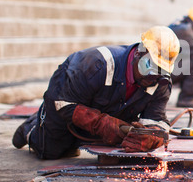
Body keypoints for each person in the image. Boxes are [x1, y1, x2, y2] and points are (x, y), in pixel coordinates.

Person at [12, 26, 180, 159]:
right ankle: (32, 126)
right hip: (67, 99)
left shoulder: (160, 83)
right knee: (52, 151)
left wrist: (151, 136)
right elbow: (61, 101)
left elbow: (157, 120)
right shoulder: (96, 64)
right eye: (150, 68)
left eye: (161, 71)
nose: (154, 77)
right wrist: (101, 123)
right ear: (139, 52)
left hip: (110, 108)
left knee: (119, 144)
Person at [169, 6, 193, 108]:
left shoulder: (176, 25)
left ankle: (187, 96)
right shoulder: (185, 30)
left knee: (189, 61)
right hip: (162, 74)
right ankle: (187, 99)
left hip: (158, 71)